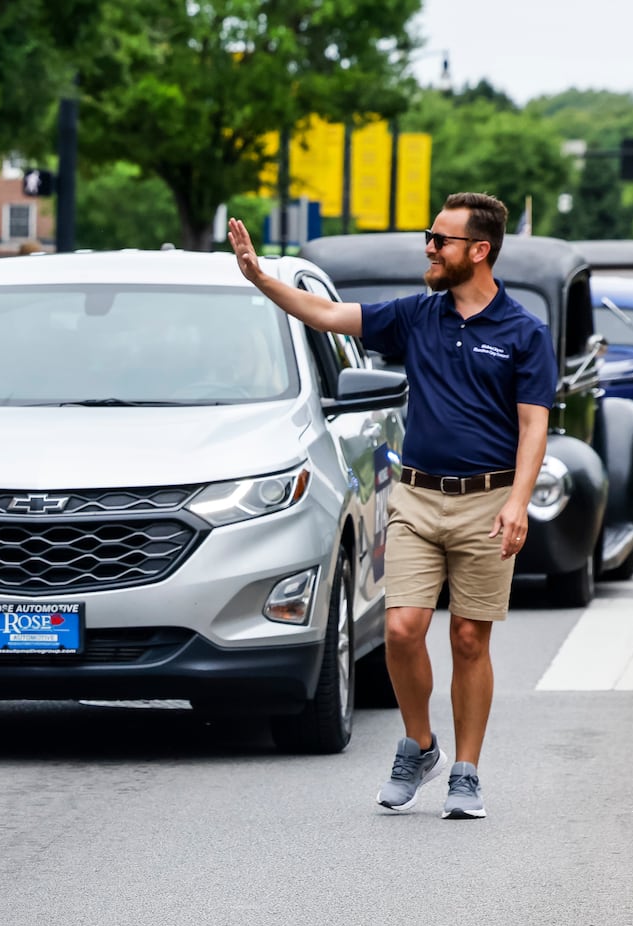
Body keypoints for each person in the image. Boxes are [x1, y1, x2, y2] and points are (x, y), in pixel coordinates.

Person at [227, 192, 554, 821]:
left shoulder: (524, 333)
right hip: (416, 496)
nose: (428, 249)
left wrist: (518, 503)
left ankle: (467, 771)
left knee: (467, 638)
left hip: (487, 502)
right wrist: (261, 278)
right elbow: (325, 314)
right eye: (428, 238)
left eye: (440, 240)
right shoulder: (415, 317)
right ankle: (420, 745)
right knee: (403, 630)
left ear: (478, 251)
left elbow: (533, 425)